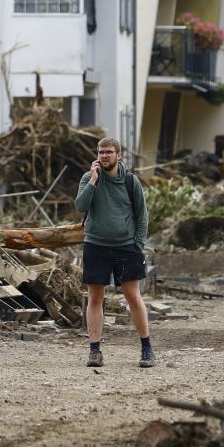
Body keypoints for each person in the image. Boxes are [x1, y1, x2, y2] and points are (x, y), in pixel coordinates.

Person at [74, 136, 153, 368]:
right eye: (101, 152)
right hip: (95, 244)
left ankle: (146, 348)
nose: (104, 156)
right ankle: (94, 351)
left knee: (132, 296)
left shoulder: (130, 181)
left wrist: (138, 244)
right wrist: (93, 180)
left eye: (109, 152)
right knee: (95, 297)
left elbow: (142, 215)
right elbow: (80, 206)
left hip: (126, 246)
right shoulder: (89, 178)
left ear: (119, 155)